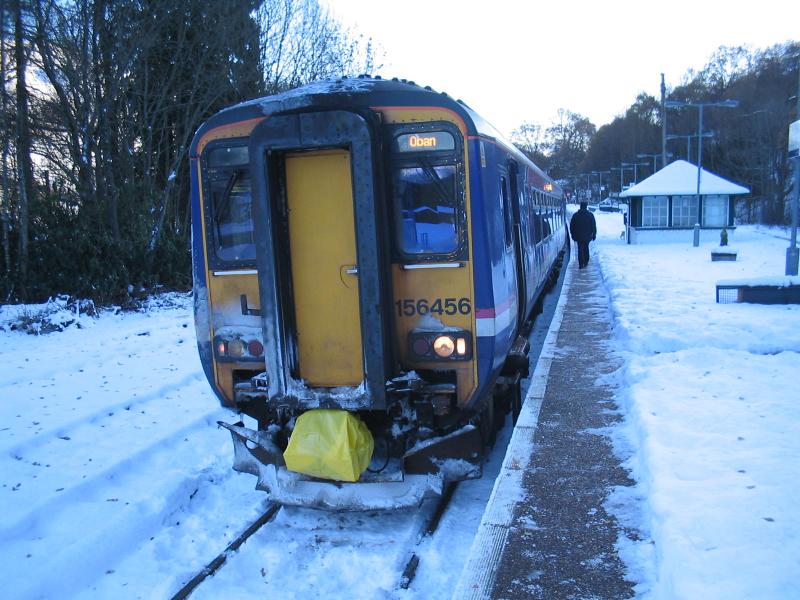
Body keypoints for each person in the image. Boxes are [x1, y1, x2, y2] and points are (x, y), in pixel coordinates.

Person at [569, 201, 597, 269]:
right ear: (586, 206)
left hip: (578, 236)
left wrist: (573, 235)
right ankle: (586, 261)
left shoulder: (575, 215)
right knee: (586, 248)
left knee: (580, 249)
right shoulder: (590, 215)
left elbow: (572, 226)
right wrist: (594, 234)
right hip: (588, 236)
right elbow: (593, 225)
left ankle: (581, 263)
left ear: (580, 206)